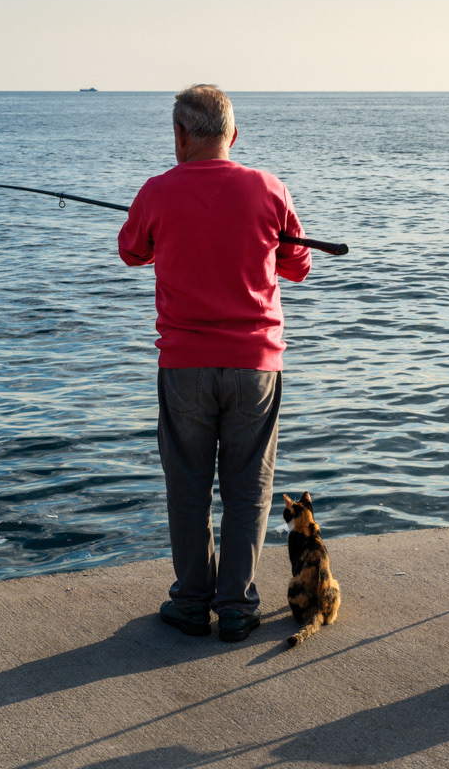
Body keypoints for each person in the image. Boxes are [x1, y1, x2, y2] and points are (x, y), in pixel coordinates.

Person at [118, 85, 312, 642]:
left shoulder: (158, 190)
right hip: (256, 365)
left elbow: (131, 251)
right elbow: (297, 266)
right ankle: (235, 606)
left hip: (184, 365)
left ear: (180, 135)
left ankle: (191, 601)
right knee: (249, 489)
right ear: (233, 134)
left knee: (189, 487)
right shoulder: (268, 188)